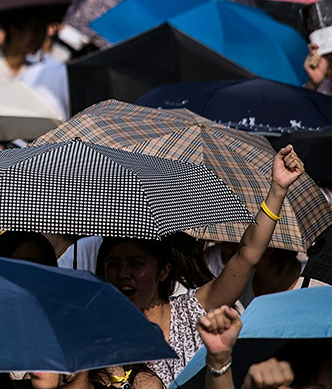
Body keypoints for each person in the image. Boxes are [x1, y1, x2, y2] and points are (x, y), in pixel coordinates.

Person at [97, 145, 306, 388]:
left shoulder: (192, 310)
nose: (123, 274)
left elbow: (246, 255)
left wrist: (278, 190)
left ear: (163, 271)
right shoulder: (102, 331)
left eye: (135, 264)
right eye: (113, 265)